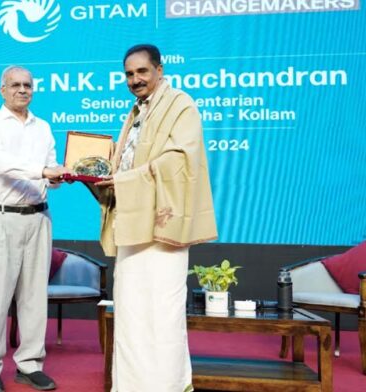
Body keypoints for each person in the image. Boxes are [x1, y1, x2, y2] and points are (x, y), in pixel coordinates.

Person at [93, 44, 218, 392]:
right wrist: (98, 175)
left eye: (142, 72)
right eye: (129, 74)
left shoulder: (181, 105)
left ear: (160, 70)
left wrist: (123, 180)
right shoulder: (135, 112)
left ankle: (166, 386)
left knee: (162, 316)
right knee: (131, 315)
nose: (135, 80)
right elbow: (127, 162)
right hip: (132, 224)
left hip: (162, 229)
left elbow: (179, 161)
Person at [0, 65, 69, 392]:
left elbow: (50, 172)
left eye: (27, 85)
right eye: (15, 85)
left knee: (33, 297)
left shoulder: (43, 127)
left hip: (39, 218)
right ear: (2, 90)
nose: (22, 90)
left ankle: (30, 364)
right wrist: (43, 171)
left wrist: (58, 177)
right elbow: (0, 164)